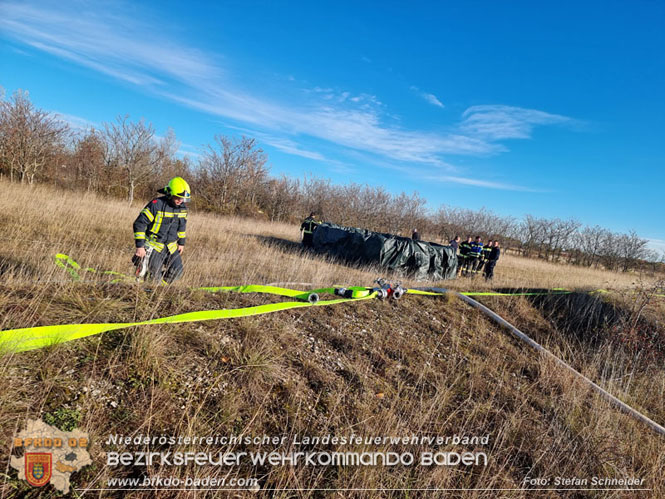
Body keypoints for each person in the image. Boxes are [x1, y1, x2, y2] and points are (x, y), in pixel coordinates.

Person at [133, 177, 190, 284]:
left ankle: (158, 285)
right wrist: (140, 246)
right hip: (154, 247)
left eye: (183, 198)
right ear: (170, 193)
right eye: (178, 197)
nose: (180, 200)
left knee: (177, 272)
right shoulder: (156, 204)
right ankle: (151, 284)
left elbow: (182, 227)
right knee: (155, 279)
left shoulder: (182, 208)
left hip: (171, 247)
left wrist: (181, 243)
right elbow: (139, 223)